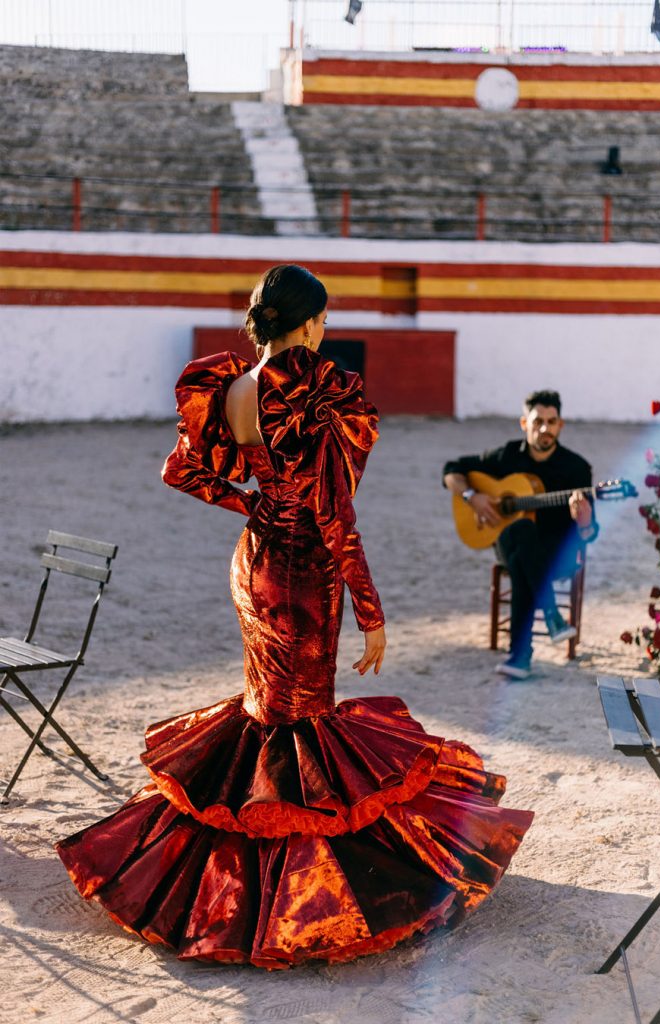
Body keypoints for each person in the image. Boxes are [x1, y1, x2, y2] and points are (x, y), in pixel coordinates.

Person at [56, 264, 533, 968]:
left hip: (253, 563)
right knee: (302, 721)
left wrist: (251, 504)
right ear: (307, 322)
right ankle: (302, 898)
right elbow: (334, 513)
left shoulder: (232, 386)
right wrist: (370, 610)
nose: (327, 327)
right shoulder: (316, 386)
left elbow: (182, 470)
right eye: (325, 317)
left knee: (271, 715)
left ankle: (251, 885)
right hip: (304, 572)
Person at [443, 390, 598, 681]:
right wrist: (471, 496)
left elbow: (589, 534)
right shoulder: (506, 457)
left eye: (552, 422)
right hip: (507, 541)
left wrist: (585, 520)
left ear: (560, 425)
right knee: (522, 533)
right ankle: (550, 616)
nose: (545, 429)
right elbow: (451, 470)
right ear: (524, 423)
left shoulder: (576, 468)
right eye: (538, 421)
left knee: (522, 556)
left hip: (556, 555)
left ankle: (520, 655)